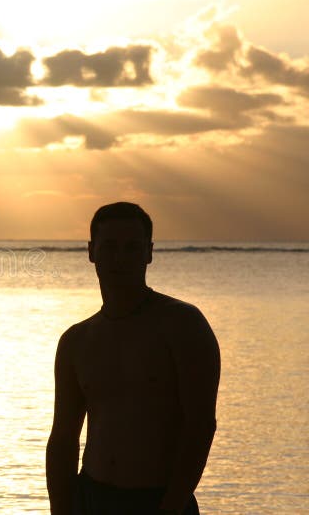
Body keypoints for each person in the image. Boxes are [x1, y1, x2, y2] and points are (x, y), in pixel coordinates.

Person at [46, 202, 220, 514]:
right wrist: (61, 509)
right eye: (109, 246)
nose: (120, 258)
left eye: (132, 247)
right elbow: (63, 439)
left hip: (160, 499)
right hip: (92, 497)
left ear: (149, 253)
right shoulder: (77, 341)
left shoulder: (182, 325)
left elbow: (200, 426)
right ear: (91, 251)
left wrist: (171, 507)